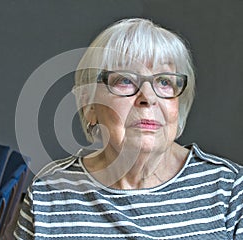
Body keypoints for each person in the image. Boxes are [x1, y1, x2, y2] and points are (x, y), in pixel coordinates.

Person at [14, 18, 243, 239]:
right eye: (125, 80)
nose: (148, 98)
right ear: (89, 105)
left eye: (164, 82)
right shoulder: (48, 194)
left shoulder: (230, 189)